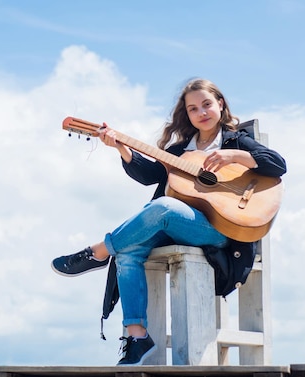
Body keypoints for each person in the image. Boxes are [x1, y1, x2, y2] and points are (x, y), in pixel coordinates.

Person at [51, 78, 287, 366]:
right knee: (129, 249)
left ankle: (98, 252)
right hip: (177, 228)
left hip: (219, 231)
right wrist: (121, 148)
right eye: (193, 108)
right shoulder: (179, 151)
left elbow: (278, 164)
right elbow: (149, 175)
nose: (201, 112)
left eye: (207, 104)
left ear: (220, 104)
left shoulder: (235, 140)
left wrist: (234, 155)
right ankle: (137, 337)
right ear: (186, 115)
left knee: (162, 206)